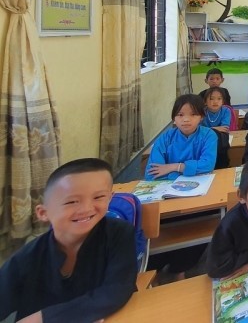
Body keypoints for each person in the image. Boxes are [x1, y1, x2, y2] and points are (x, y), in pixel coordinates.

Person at [0, 158, 137, 322]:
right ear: (43, 213)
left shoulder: (119, 233)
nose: (86, 208)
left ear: (110, 198)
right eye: (72, 201)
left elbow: (118, 289)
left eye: (99, 197)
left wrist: (43, 318)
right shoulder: (27, 258)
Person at [146, 94, 217, 181]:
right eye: (180, 115)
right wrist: (190, 170)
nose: (186, 119)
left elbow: (208, 165)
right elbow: (153, 172)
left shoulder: (209, 135)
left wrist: (174, 167)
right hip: (168, 186)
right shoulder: (165, 138)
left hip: (201, 183)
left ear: (201, 117)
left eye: (193, 114)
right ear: (174, 118)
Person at [201, 87, 232, 169]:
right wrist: (216, 128)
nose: (215, 101)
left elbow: (225, 128)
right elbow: (199, 129)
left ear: (223, 101)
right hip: (204, 140)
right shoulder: (201, 112)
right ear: (205, 101)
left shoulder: (226, 111)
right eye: (211, 99)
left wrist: (208, 129)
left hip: (220, 141)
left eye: (219, 99)